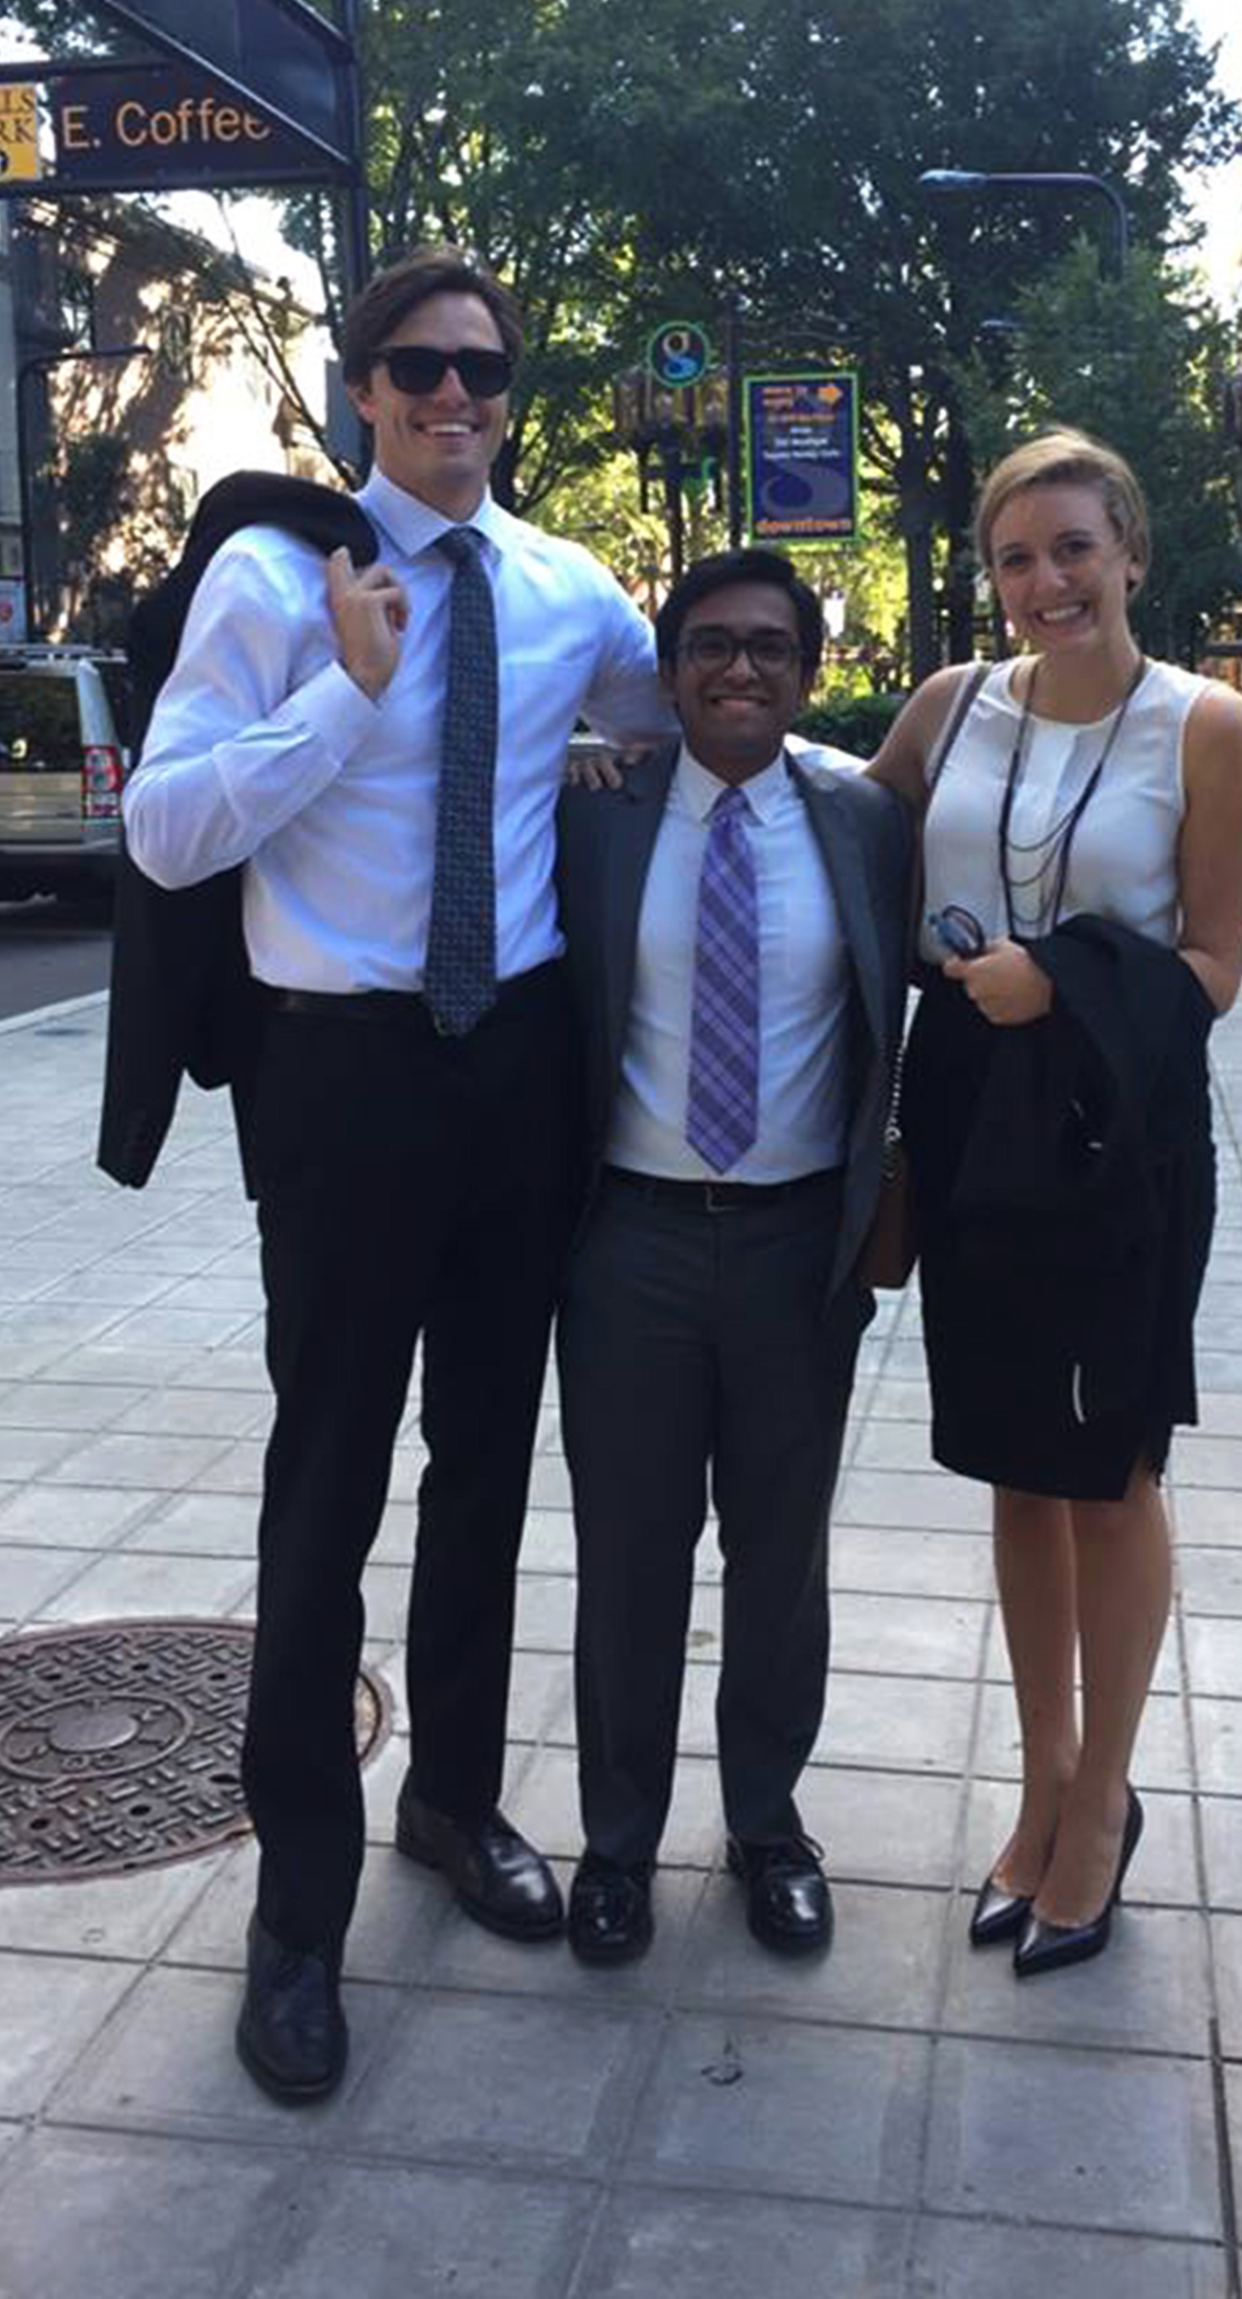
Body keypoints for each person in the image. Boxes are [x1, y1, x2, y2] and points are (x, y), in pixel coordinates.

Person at [121, 246, 671, 2104]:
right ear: (359, 388)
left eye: (485, 372)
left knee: (489, 1469)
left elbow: (679, 727)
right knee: (327, 1475)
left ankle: (449, 1795)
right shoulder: (277, 580)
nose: (454, 398)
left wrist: (625, 776)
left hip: (513, 1066)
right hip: (340, 1080)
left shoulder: (565, 587)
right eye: (418, 368)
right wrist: (345, 700)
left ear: (512, 397)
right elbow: (171, 829)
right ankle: (298, 1903)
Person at [868, 430, 1242, 1977]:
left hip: (1117, 1131)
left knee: (1108, 1467)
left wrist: (1068, 979)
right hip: (970, 1109)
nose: (1048, 582)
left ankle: (1103, 1801)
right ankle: (1038, 1786)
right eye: (1019, 556)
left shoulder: (1206, 725)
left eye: (1076, 548)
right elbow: (841, 823)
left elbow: (1217, 967)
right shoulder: (949, 708)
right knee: (1013, 1470)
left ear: (1133, 553)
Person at [555, 548, 910, 1965]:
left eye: (770, 645)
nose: (741, 668)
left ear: (809, 671)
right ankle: (619, 1842)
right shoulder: (594, 813)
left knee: (780, 1558)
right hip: (627, 1243)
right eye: (711, 644)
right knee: (629, 1560)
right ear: (672, 665)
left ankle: (768, 1824)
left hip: (792, 1252)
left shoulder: (868, 818)